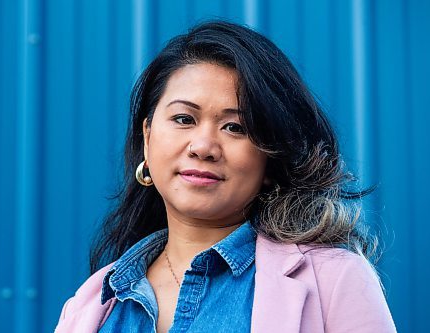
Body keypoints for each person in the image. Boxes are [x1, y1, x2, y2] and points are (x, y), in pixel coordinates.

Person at [54, 20, 396, 332]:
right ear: (147, 137)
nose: (203, 147)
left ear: (270, 157)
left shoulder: (334, 280)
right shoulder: (91, 304)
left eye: (235, 127)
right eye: (184, 119)